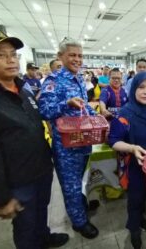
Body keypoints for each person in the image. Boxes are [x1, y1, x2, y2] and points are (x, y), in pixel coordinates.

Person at [0, 30, 68, 249]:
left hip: (41, 171)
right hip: (18, 181)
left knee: (41, 211)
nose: (10, 59)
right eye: (1, 55)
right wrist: (1, 198)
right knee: (25, 227)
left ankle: (44, 237)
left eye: (13, 54)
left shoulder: (22, 90)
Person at [39, 38, 99, 239]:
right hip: (66, 147)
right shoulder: (53, 81)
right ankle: (79, 223)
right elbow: (44, 110)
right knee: (71, 185)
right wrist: (66, 104)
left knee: (80, 181)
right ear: (61, 56)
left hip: (83, 141)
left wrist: (96, 115)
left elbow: (83, 105)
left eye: (80, 55)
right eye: (72, 55)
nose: (77, 59)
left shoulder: (79, 79)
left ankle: (79, 208)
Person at [108, 71, 146, 249]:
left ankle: (140, 217)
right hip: (135, 166)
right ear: (133, 89)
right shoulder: (126, 113)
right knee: (135, 199)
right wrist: (132, 148)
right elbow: (113, 140)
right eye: (141, 87)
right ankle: (134, 229)